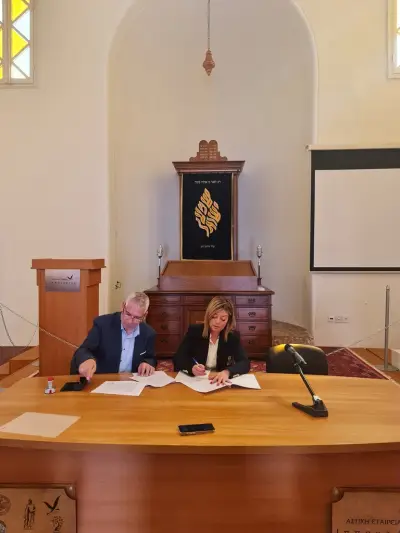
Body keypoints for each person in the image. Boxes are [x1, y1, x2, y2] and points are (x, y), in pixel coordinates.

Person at [70, 292, 156, 379]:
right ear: (123, 306)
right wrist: (87, 359)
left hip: (132, 382)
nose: (130, 321)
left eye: (137, 317)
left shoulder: (148, 333)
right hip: (104, 380)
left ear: (145, 315)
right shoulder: (102, 324)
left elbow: (150, 358)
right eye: (128, 314)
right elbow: (83, 350)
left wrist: (147, 363)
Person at [173, 296, 250, 385]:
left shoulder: (232, 337)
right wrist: (192, 368)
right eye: (214, 316)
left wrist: (227, 372)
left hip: (218, 382)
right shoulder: (194, 331)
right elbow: (178, 357)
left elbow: (245, 363)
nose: (217, 321)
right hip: (196, 381)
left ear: (228, 321)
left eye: (223, 319)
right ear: (208, 315)